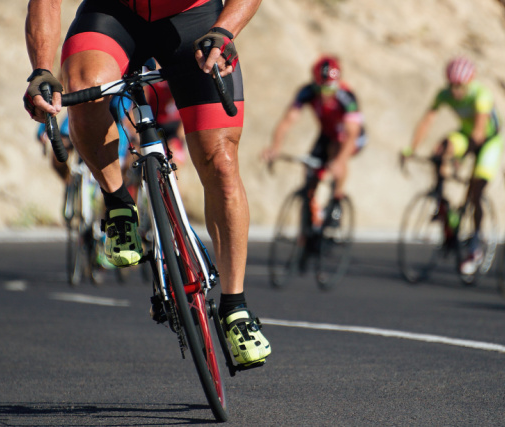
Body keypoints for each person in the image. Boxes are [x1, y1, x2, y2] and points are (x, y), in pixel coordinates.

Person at [23, 0, 269, 367]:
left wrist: (225, 30)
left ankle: (235, 307)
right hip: (112, 14)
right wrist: (41, 70)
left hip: (193, 21)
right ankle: (118, 201)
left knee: (221, 162)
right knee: (85, 86)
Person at [403, 56, 504, 275]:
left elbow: (479, 134)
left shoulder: (481, 95)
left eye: (460, 86)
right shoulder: (445, 94)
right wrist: (411, 149)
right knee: (439, 152)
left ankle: (476, 242)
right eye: (452, 86)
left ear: (469, 82)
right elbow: (427, 120)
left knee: (476, 191)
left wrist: (459, 159)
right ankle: (442, 204)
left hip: (488, 140)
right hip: (466, 133)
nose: (456, 91)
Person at [261, 55, 366, 212]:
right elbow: (287, 121)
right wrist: (275, 148)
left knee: (336, 156)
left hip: (350, 136)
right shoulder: (307, 91)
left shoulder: (347, 97)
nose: (324, 94)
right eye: (320, 88)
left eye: (329, 88)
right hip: (327, 132)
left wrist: (339, 162)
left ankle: (336, 200)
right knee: (310, 169)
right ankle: (309, 220)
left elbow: (352, 134)